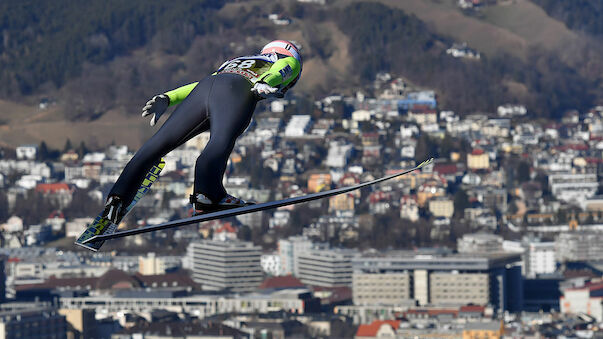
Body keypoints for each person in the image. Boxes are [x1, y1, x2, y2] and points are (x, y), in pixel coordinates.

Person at [102, 40, 302, 224]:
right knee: (220, 141)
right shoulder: (288, 60)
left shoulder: (239, 60)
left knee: (157, 144)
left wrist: (169, 98)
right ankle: (208, 195)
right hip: (237, 91)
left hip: (205, 88)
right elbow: (282, 71)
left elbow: (204, 84)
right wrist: (267, 82)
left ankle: (117, 197)